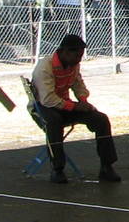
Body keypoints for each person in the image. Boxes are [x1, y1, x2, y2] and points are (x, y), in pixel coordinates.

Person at [32, 34, 120, 183]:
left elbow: (78, 84)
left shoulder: (73, 64)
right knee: (53, 122)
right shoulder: (45, 67)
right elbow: (47, 99)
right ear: (65, 52)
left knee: (101, 119)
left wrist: (84, 101)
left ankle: (107, 166)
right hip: (44, 107)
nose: (79, 59)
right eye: (77, 55)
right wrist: (74, 106)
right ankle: (57, 168)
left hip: (65, 105)